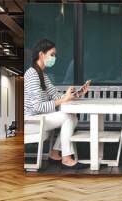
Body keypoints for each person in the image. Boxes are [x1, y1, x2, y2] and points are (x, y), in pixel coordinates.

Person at [24, 39, 89, 169]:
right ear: (42, 55)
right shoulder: (32, 75)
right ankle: (65, 158)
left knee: (72, 117)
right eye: (52, 54)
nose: (54, 58)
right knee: (67, 117)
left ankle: (55, 153)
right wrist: (64, 99)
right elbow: (37, 107)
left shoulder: (42, 75)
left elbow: (56, 96)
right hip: (31, 121)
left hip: (40, 118)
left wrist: (76, 94)